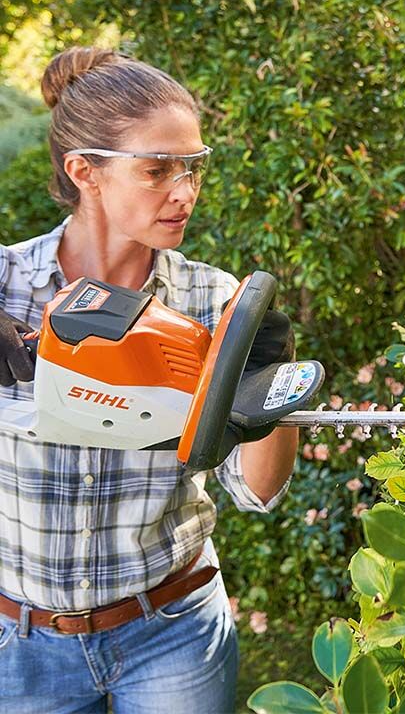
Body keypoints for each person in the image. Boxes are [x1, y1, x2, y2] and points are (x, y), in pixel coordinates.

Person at [0, 47, 299, 713]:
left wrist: (268, 394)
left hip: (172, 633)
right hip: (16, 645)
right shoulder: (5, 286)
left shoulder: (210, 300)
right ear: (86, 172)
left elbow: (255, 492)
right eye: (158, 170)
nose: (184, 190)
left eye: (192, 168)